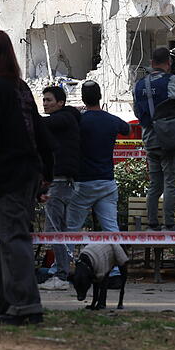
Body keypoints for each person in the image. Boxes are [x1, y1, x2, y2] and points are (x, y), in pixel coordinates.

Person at [0, 29, 53, 325]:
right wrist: (47, 173)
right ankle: (2, 303)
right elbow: (41, 132)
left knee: (13, 239)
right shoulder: (21, 87)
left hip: (7, 175)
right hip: (27, 172)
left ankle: (25, 306)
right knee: (2, 238)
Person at [133, 47, 175, 231]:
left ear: (152, 63)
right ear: (169, 64)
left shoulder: (138, 85)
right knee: (171, 183)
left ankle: (152, 223)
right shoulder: (174, 81)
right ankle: (169, 224)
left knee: (156, 184)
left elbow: (138, 113)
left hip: (149, 140)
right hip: (170, 140)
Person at [68, 80, 130, 238]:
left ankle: (62, 263)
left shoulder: (79, 121)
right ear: (100, 96)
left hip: (83, 182)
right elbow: (127, 129)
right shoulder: (112, 120)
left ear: (82, 98)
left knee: (71, 229)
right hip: (107, 181)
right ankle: (117, 262)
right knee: (111, 229)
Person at [39, 85, 83, 292]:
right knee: (61, 229)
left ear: (60, 102)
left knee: (56, 229)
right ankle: (61, 271)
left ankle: (61, 274)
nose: (45, 103)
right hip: (62, 181)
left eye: (49, 100)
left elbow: (40, 125)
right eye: (44, 100)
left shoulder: (64, 119)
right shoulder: (67, 119)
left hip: (59, 182)